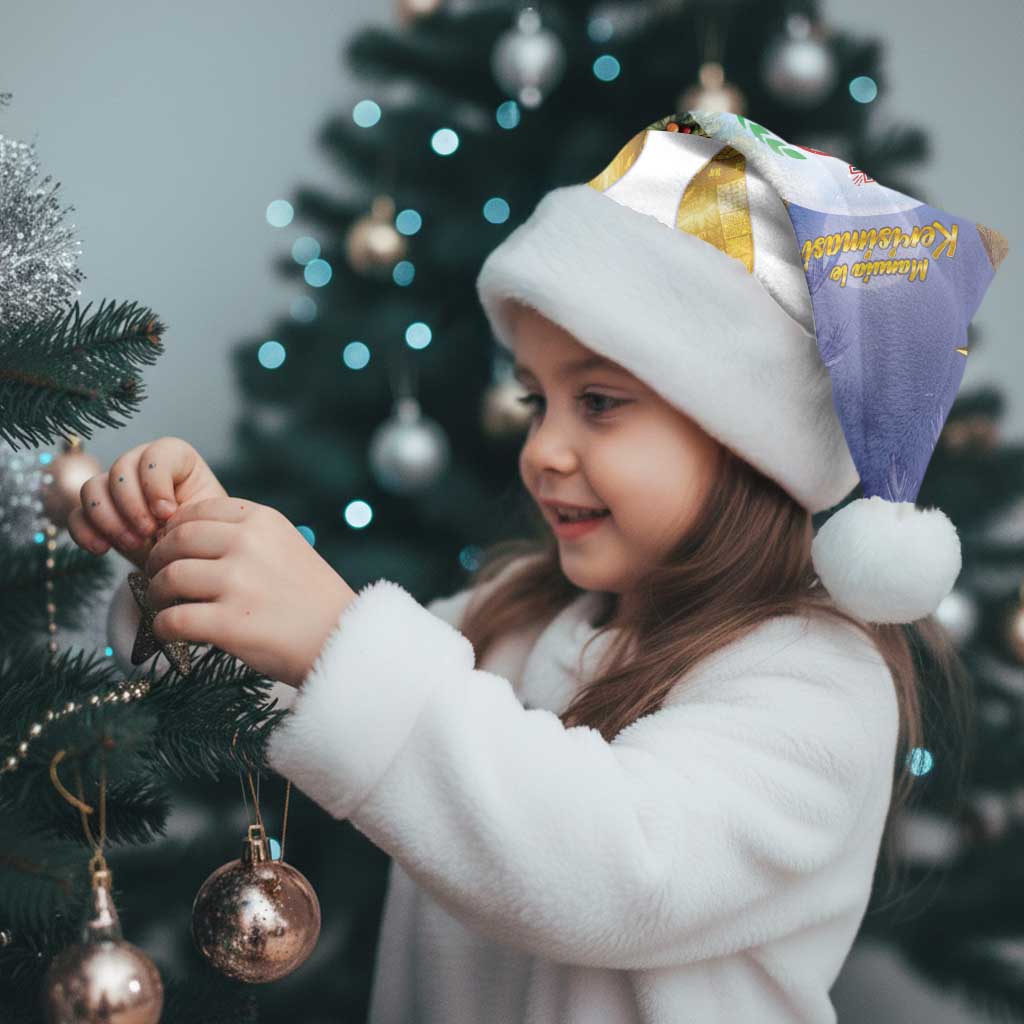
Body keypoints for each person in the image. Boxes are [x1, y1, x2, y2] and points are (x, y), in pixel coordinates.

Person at [74, 109, 1009, 1023]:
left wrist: (334, 635)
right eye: (535, 401)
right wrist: (191, 564)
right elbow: (306, 690)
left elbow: (616, 870)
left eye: (598, 402)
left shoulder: (818, 683)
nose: (543, 450)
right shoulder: (515, 616)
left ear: (748, 440)